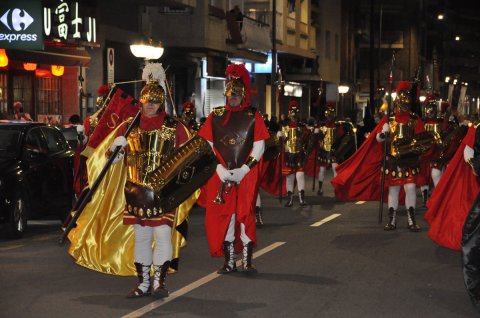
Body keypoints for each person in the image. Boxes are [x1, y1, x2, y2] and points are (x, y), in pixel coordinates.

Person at [108, 65, 191, 298]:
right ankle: (143, 283)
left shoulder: (175, 127)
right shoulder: (128, 126)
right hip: (136, 191)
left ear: (161, 102)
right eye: (147, 100)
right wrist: (116, 148)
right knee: (142, 237)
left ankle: (158, 282)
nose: (151, 104)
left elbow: (186, 160)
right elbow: (114, 161)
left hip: (163, 192)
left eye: (155, 100)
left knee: (163, 235)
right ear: (141, 101)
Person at [197, 63, 270, 274]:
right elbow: (207, 145)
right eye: (230, 94)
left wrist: (244, 170)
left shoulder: (253, 116)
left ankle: (246, 261)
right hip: (221, 174)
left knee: (245, 214)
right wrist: (219, 169)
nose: (233, 97)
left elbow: (259, 146)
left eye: (237, 94)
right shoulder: (216, 116)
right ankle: (229, 261)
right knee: (225, 215)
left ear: (244, 94)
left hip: (245, 174)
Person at [376, 81, 428, 232]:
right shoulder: (389, 120)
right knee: (394, 189)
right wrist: (383, 133)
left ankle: (411, 219)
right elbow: (378, 139)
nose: (404, 105)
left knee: (410, 187)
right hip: (392, 159)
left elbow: (422, 138)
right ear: (397, 102)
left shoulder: (414, 119)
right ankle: (391, 219)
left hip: (409, 160)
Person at [277, 100, 310, 207]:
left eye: (296, 114)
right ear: (289, 113)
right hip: (288, 154)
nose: (294, 116)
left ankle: (301, 199)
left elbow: (307, 140)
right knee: (290, 176)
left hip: (299, 154)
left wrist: (313, 133)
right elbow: (279, 142)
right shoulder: (284, 125)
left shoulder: (302, 126)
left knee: (300, 175)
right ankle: (290, 199)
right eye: (292, 113)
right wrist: (278, 137)